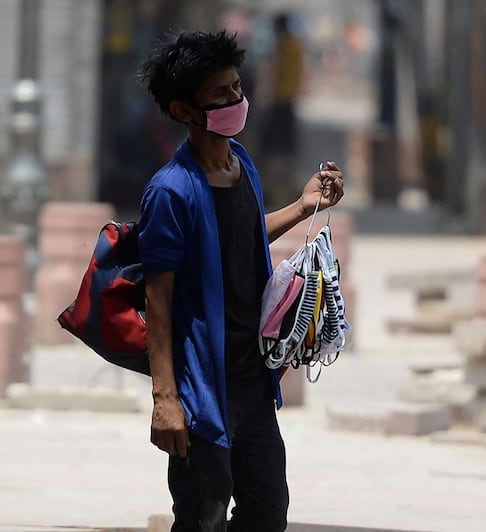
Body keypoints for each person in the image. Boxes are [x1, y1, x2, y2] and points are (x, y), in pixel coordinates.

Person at [136, 30, 344, 531]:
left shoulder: (241, 163)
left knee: (267, 511)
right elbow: (157, 301)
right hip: (202, 386)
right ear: (184, 110)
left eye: (236, 87)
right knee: (202, 516)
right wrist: (166, 401)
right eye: (220, 94)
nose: (236, 100)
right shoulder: (170, 192)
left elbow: (245, 236)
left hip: (252, 380)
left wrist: (301, 207)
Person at [259, 13, 305, 209]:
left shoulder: (284, 47)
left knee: (272, 147)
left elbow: (277, 74)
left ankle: (273, 188)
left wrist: (268, 97)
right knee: (287, 147)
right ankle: (284, 187)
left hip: (280, 102)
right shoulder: (295, 45)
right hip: (289, 100)